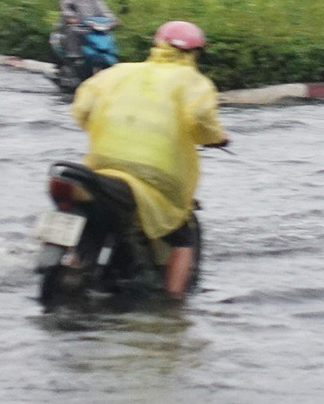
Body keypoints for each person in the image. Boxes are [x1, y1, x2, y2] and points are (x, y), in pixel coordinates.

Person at [71, 19, 227, 299]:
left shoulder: (117, 72)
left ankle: (73, 266)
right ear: (194, 54)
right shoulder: (195, 83)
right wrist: (216, 138)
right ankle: (173, 305)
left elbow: (82, 108)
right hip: (155, 179)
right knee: (183, 237)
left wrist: (99, 127)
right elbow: (202, 119)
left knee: (92, 221)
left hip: (100, 171)